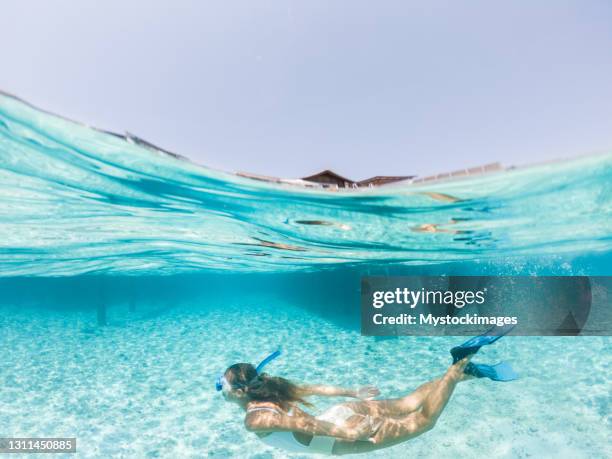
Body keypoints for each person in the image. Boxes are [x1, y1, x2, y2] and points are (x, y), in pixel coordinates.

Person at [216, 327, 516, 455]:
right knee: (408, 402)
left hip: (336, 435)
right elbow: (315, 389)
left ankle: (460, 361)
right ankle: (465, 372)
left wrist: (351, 435)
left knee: (423, 421)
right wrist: (352, 394)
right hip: (340, 415)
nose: (221, 390)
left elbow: (305, 424)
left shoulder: (254, 420)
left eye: (223, 387)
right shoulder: (270, 388)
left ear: (240, 391)